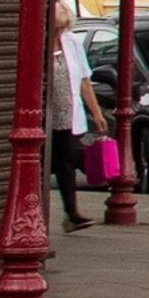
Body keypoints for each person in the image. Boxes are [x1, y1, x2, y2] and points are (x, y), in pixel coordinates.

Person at [49, 25, 95, 231]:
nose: (60, 31)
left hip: (68, 116)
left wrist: (96, 112)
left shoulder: (71, 41)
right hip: (44, 116)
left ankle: (71, 212)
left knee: (66, 161)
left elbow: (84, 79)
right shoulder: (38, 40)